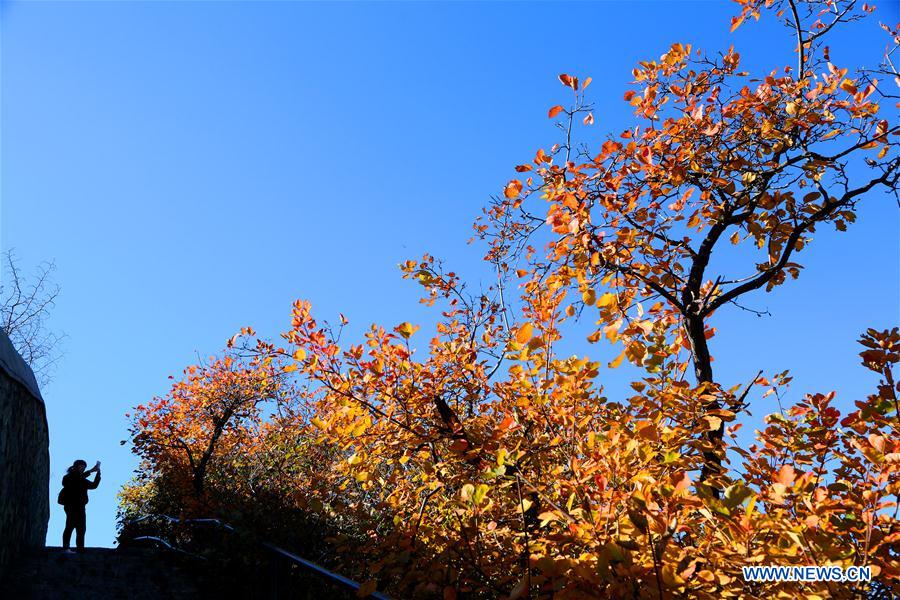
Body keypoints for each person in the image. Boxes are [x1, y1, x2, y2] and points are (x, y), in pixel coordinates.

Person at [61, 459, 101, 552]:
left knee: (81, 528)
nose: (82, 468)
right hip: (70, 505)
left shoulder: (82, 479)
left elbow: (94, 485)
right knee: (70, 525)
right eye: (81, 466)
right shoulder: (67, 477)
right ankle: (66, 547)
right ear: (75, 467)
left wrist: (98, 473)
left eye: (84, 467)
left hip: (81, 506)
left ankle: (80, 549)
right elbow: (75, 481)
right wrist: (91, 471)